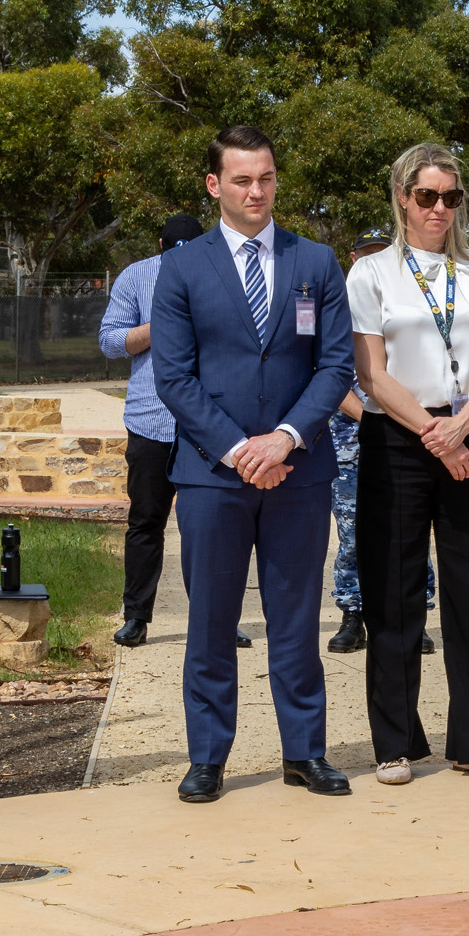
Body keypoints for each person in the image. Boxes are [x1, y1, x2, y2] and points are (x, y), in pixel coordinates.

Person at [150, 125, 356, 804]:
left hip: (299, 471)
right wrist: (243, 450)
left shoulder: (316, 262)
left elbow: (334, 366)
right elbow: (174, 379)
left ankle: (305, 753)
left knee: (297, 616)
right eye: (241, 180)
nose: (256, 191)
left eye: (265, 177)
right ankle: (209, 756)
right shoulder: (182, 268)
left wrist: (287, 439)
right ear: (215, 185)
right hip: (214, 475)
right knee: (210, 619)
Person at [350, 143, 469, 787]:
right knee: (393, 596)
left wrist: (463, 428)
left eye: (450, 197)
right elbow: (371, 371)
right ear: (401, 197)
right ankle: (394, 743)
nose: (439, 209)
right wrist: (434, 434)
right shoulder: (371, 274)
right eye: (427, 196)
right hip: (400, 439)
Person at [99, 215, 255, 652]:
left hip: (207, 426)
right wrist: (160, 326)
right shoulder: (136, 276)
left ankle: (220, 619)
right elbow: (110, 342)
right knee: (146, 522)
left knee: (213, 528)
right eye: (174, 251)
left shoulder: (223, 274)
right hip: (151, 422)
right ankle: (136, 617)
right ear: (161, 245)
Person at [327, 228, 439, 657]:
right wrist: (372, 418)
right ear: (354, 258)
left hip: (406, 434)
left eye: (383, 253)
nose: (374, 260)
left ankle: (416, 614)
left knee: (411, 529)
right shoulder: (338, 306)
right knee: (354, 531)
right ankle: (354, 614)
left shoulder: (413, 302)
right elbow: (333, 377)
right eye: (367, 254)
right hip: (353, 438)